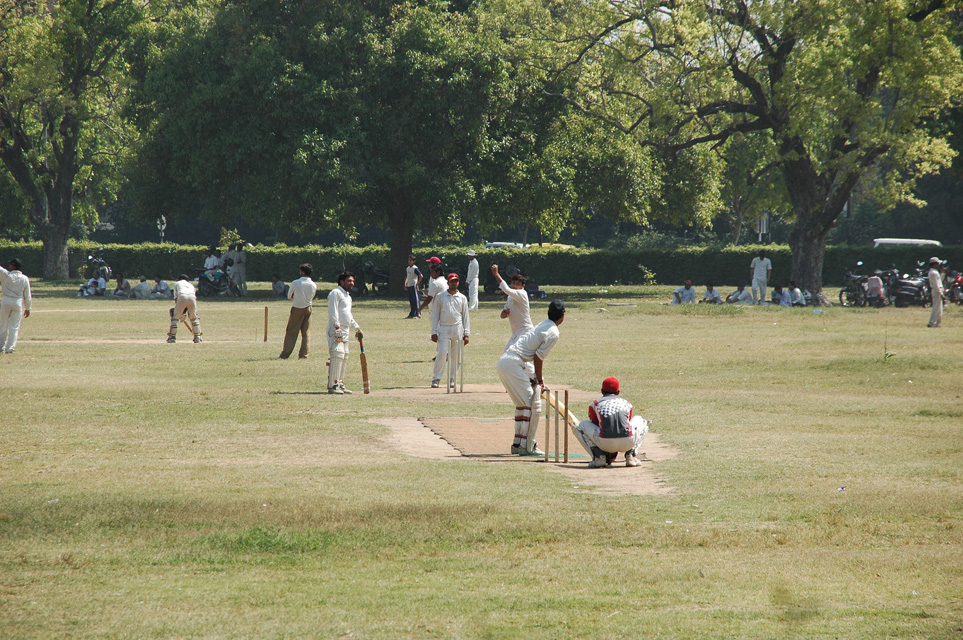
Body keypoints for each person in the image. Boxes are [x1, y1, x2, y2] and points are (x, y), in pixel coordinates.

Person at [496, 299, 565, 456]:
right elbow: (538, 357)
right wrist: (539, 381)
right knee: (533, 406)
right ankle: (528, 446)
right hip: (514, 363)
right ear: (563, 316)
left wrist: (535, 379)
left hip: (506, 361)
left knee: (523, 405)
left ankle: (518, 445)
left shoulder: (544, 324)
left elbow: (530, 354)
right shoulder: (553, 332)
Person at [575, 377, 649, 468]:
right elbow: (626, 423)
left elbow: (595, 424)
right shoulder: (627, 403)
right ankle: (631, 455)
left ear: (602, 391)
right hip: (628, 442)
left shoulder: (594, 404)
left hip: (605, 443)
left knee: (581, 426)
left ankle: (598, 457)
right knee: (642, 421)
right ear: (618, 392)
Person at [431, 273, 470, 388]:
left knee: (456, 356)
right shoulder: (440, 297)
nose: (454, 283)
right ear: (448, 283)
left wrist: (467, 333)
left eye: (456, 281)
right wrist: (434, 332)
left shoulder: (462, 298)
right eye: (452, 281)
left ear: (458, 283)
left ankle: (452, 378)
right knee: (442, 353)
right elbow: (435, 316)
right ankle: (436, 378)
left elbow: (465, 317)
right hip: (443, 328)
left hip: (457, 329)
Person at [327, 271, 363, 394]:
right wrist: (336, 326)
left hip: (346, 329)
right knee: (337, 355)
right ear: (341, 282)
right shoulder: (335, 293)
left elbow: (348, 315)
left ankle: (340, 383)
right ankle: (333, 385)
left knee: (345, 356)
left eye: (353, 281)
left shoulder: (348, 297)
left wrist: (357, 327)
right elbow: (333, 312)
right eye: (349, 281)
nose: (351, 283)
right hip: (336, 329)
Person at [279, 263, 318, 360]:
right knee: (306, 333)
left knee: (291, 332)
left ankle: (285, 355)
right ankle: (304, 355)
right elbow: (312, 296)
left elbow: (289, 296)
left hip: (297, 308)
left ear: (303, 272)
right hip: (308, 308)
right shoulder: (313, 284)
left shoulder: (296, 282)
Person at [0, 258, 31, 354]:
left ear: (13, 266)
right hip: (18, 302)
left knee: (3, 325)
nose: (9, 266)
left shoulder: (6, 276)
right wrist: (28, 307)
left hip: (5, 301)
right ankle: (10, 348)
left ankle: (1, 347)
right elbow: (27, 295)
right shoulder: (24, 278)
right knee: (14, 326)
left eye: (10, 265)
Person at [166, 274, 202, 343]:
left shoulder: (177, 283)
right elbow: (192, 298)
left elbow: (176, 299)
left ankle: (172, 337)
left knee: (175, 318)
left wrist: (180, 314)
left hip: (182, 296)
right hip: (193, 298)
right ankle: (198, 337)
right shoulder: (191, 285)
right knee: (194, 318)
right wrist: (183, 312)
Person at [927, 257, 945, 328]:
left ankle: (937, 323)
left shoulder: (934, 272)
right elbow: (936, 284)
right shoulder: (933, 273)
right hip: (937, 291)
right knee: (936, 308)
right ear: (934, 264)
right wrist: (941, 293)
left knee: (939, 308)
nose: (938, 265)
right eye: (937, 264)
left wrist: (942, 273)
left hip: (938, 290)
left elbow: (939, 281)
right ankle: (931, 323)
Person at [405, 254, 423, 319]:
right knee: (411, 300)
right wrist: (405, 284)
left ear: (414, 261)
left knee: (416, 300)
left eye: (410, 260)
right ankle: (412, 313)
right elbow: (407, 277)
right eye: (408, 260)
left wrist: (417, 284)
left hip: (413, 286)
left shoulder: (415, 268)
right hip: (409, 285)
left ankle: (418, 314)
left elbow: (421, 276)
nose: (409, 262)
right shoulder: (408, 268)